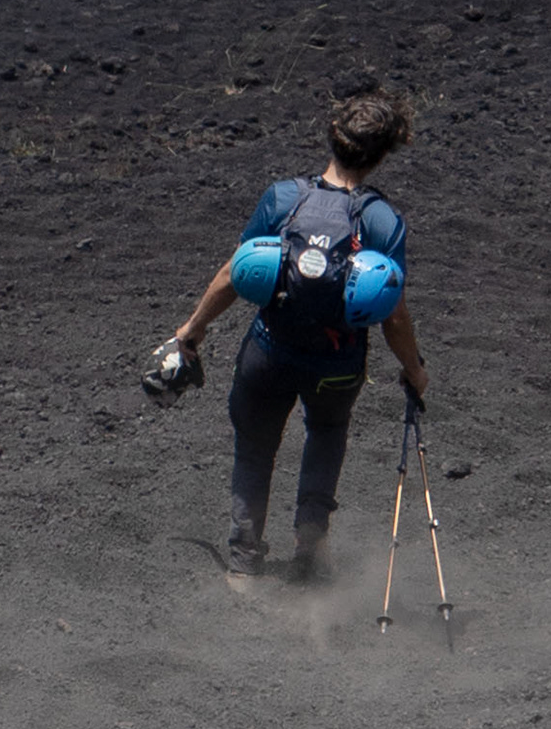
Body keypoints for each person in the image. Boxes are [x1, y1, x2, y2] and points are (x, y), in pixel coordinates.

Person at [146, 85, 428, 583]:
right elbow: (395, 316)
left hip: (268, 353)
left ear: (334, 137)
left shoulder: (283, 198)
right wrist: (414, 370)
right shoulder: (383, 221)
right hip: (336, 368)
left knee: (255, 448)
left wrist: (190, 331)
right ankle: (310, 549)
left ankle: (243, 562)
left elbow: (235, 274)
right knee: (325, 435)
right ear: (385, 153)